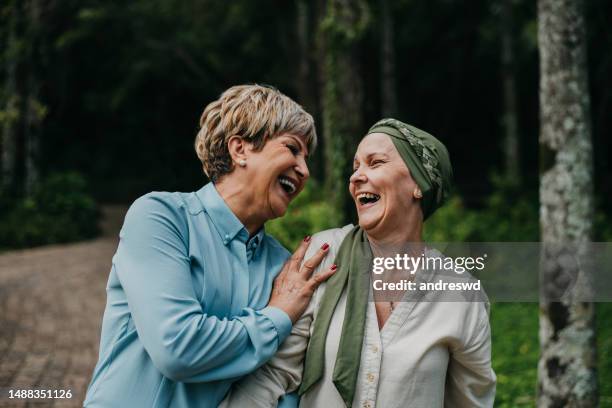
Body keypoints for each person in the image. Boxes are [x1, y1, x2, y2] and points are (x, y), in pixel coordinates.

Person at [83, 85, 337, 407]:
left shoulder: (284, 268)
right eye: (292, 148)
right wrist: (277, 316)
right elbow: (177, 347)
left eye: (306, 157)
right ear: (240, 149)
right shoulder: (160, 218)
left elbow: (281, 382)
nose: (304, 170)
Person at [221, 118, 496, 407]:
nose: (355, 178)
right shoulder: (322, 254)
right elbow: (275, 374)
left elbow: (471, 402)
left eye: (375, 163)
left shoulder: (463, 295)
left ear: (419, 184)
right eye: (355, 167)